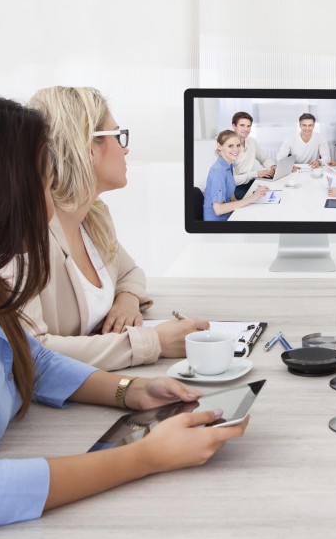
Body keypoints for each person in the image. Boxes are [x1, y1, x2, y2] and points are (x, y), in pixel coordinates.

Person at [0, 93, 248, 539]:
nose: (52, 210)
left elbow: (31, 359)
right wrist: (148, 456)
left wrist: (133, 392)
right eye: (46, 189)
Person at [22, 87, 208, 372]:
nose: (126, 148)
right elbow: (33, 352)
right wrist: (153, 341)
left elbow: (130, 273)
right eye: (118, 136)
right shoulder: (25, 239)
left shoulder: (93, 216)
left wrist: (127, 300)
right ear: (87, 146)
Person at [203, 129, 269, 221]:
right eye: (230, 146)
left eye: (238, 145)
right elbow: (218, 210)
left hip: (230, 214)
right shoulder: (218, 171)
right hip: (218, 222)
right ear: (219, 146)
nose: (236, 150)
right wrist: (252, 198)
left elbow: (232, 197)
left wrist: (253, 199)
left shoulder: (228, 165)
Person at [230, 111, 276, 200]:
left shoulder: (251, 141)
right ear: (234, 126)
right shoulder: (229, 147)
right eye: (242, 125)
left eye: (248, 126)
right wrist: (256, 174)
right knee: (262, 197)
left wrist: (272, 166)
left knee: (274, 188)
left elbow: (264, 159)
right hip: (238, 186)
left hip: (253, 179)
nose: (246, 129)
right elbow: (231, 180)